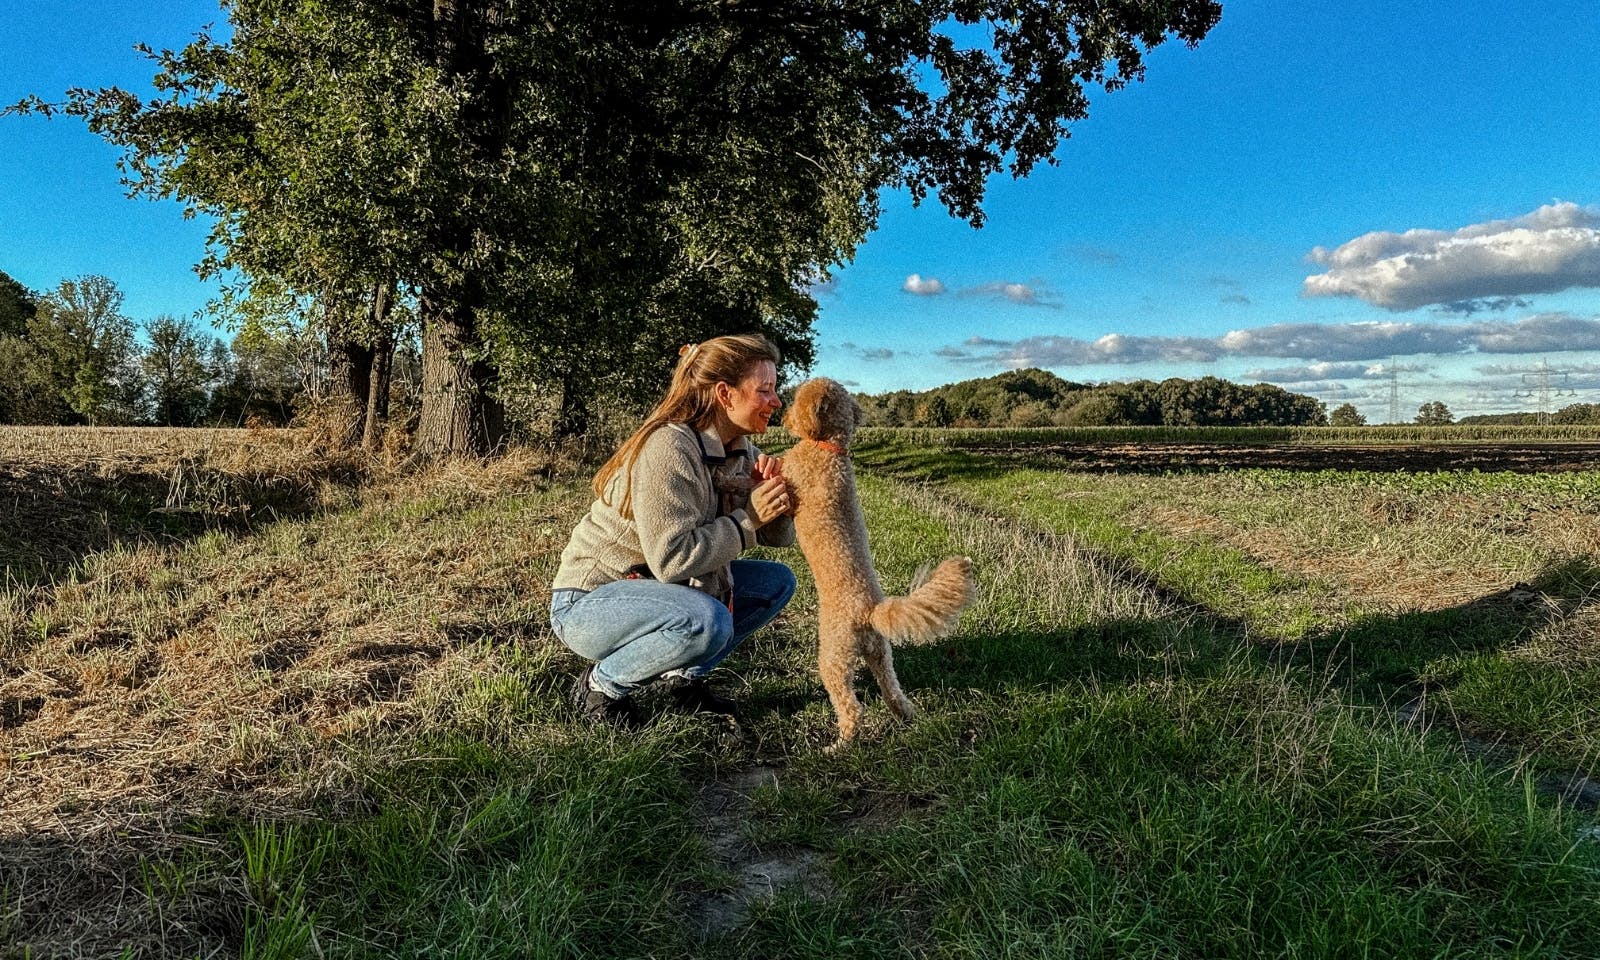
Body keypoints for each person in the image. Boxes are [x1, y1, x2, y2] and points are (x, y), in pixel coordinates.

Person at [549, 333, 798, 726]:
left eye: (775, 389)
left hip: (656, 592)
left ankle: (681, 681)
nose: (776, 401)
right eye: (764, 390)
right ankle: (601, 686)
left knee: (776, 582)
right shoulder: (670, 447)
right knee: (707, 620)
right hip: (588, 604)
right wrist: (748, 518)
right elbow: (671, 560)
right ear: (725, 394)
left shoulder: (739, 448)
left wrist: (776, 506)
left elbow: (780, 540)